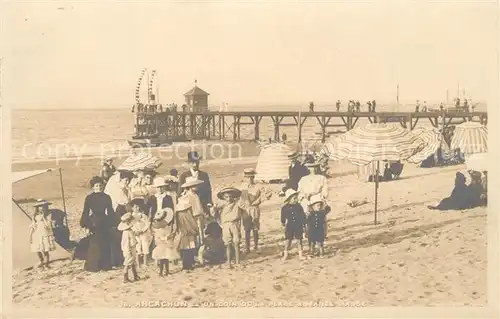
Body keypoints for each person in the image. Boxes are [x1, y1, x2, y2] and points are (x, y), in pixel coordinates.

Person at [79, 176, 114, 272]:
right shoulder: (89, 198)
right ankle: (94, 266)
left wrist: (112, 222)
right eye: (96, 185)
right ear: (93, 187)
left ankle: (105, 265)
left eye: (100, 185)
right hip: (93, 222)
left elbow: (110, 211)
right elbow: (85, 211)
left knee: (105, 243)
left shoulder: (107, 197)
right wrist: (85, 225)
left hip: (104, 221)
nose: (99, 187)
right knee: (94, 244)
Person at [212, 187, 245, 268]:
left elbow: (243, 208)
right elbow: (214, 214)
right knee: (227, 244)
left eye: (230, 196)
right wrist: (214, 209)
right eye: (226, 197)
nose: (229, 198)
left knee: (236, 243)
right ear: (223, 197)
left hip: (235, 224)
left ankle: (238, 262)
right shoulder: (221, 205)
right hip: (226, 225)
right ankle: (229, 263)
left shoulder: (237, 203)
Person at [239, 168, 270, 253]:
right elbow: (239, 198)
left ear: (254, 177)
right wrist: (241, 208)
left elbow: (266, 195)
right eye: (248, 177)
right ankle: (247, 247)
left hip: (254, 209)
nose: (250, 179)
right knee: (247, 229)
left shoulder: (258, 186)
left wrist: (258, 201)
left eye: (251, 177)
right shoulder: (242, 187)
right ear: (245, 177)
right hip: (245, 209)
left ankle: (256, 246)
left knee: (255, 228)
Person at [151, 207, 180, 277]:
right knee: (162, 259)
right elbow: (160, 237)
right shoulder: (159, 229)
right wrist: (168, 237)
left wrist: (172, 234)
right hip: (162, 244)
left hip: (166, 244)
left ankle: (166, 271)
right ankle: (161, 272)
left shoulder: (166, 227)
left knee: (166, 258)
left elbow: (168, 234)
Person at [281, 189, 307, 261]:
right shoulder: (285, 208)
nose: (296, 200)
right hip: (290, 226)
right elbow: (283, 217)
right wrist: (283, 223)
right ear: (289, 199)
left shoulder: (299, 206)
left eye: (296, 198)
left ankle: (300, 255)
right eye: (294, 198)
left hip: (298, 225)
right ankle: (286, 254)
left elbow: (303, 216)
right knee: (288, 240)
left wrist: (304, 224)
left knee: (299, 240)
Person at [30, 200, 57, 270]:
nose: (41, 208)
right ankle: (41, 261)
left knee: (45, 249)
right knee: (37, 249)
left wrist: (44, 217)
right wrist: (30, 235)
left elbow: (48, 225)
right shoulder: (34, 215)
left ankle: (46, 264)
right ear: (37, 207)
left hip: (45, 233)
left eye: (43, 206)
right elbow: (33, 225)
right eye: (39, 206)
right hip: (36, 233)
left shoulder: (48, 214)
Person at [179, 177, 205, 246]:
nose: (197, 187)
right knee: (193, 237)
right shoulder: (186, 196)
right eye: (194, 185)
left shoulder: (195, 195)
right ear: (189, 187)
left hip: (199, 217)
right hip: (192, 218)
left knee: (200, 236)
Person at [174, 197, 199, 271]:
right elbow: (193, 223)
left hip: (183, 233)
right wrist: (196, 230)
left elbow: (177, 226)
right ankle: (190, 264)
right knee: (190, 249)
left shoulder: (178, 215)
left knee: (184, 250)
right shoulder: (188, 214)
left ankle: (185, 265)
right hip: (190, 233)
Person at [130, 198, 153, 268]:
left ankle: (145, 262)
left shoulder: (143, 215)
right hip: (136, 234)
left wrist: (142, 230)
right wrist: (135, 231)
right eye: (135, 207)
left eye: (138, 206)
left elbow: (147, 224)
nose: (137, 208)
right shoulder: (131, 217)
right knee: (137, 247)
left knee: (145, 246)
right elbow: (131, 225)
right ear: (132, 208)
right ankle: (138, 263)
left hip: (143, 233)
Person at [118, 213, 140, 283]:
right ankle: (125, 277)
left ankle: (135, 275)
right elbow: (126, 243)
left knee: (133, 262)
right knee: (127, 263)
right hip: (129, 250)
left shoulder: (130, 231)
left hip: (132, 249)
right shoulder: (126, 232)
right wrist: (127, 252)